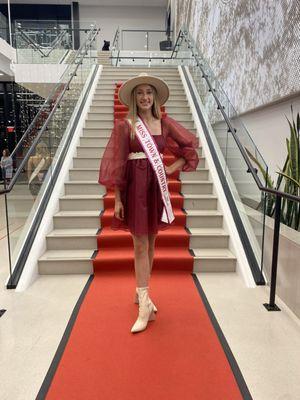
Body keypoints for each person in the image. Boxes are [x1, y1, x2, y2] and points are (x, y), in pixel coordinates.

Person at [99, 73, 199, 333]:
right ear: (134, 98)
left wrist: (170, 169)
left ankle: (141, 291)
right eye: (140, 93)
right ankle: (145, 304)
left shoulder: (164, 124)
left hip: (154, 188)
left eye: (149, 92)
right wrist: (118, 198)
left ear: (155, 97)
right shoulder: (126, 125)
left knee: (152, 242)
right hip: (134, 189)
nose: (145, 97)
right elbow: (119, 164)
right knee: (140, 244)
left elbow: (189, 150)